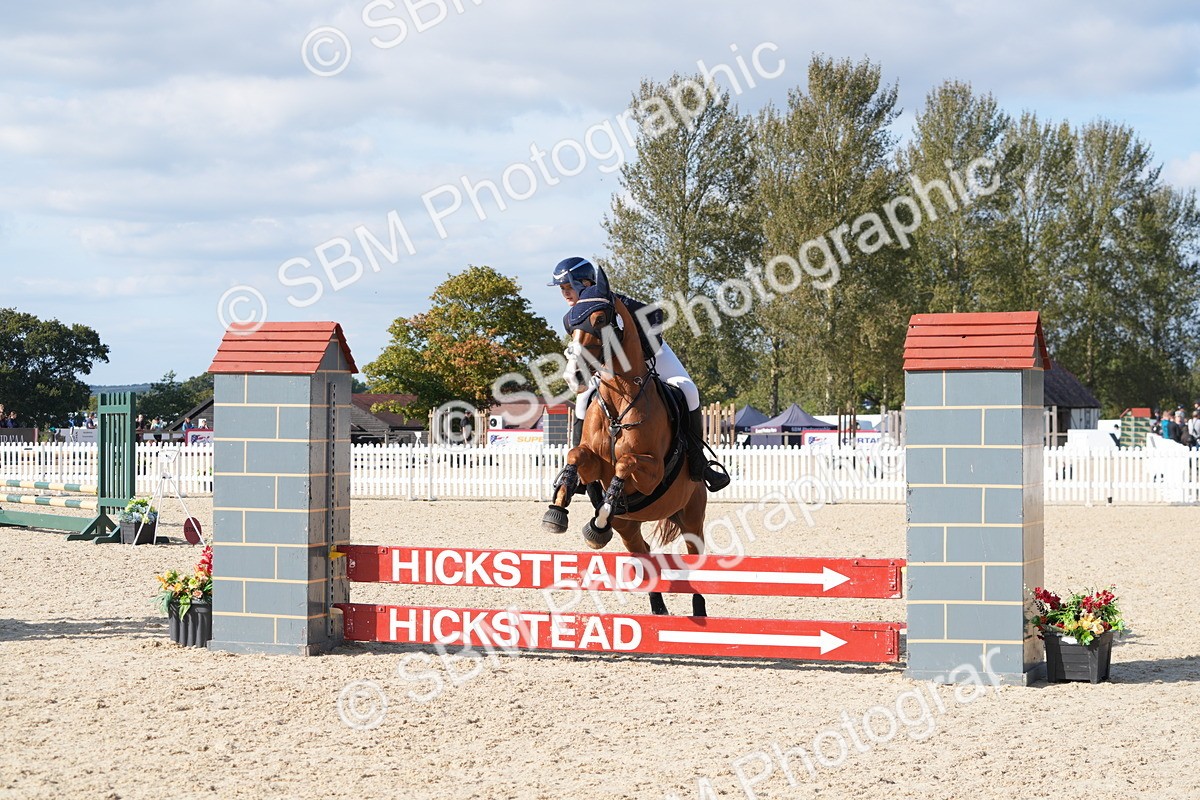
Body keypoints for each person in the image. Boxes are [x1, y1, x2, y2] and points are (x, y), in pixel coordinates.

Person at [550, 256, 729, 492]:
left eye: (567, 287)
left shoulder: (617, 302)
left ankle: (698, 461)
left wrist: (641, 355)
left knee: (688, 389)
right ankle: (575, 474)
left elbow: (655, 316)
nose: (565, 294)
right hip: (609, 367)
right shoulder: (569, 318)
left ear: (584, 283)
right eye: (562, 289)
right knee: (583, 399)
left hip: (652, 354)